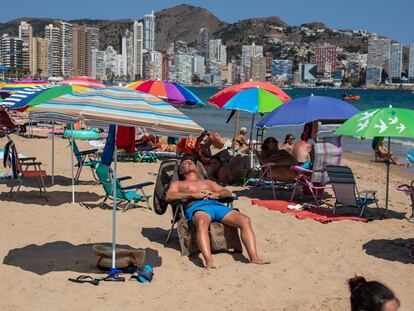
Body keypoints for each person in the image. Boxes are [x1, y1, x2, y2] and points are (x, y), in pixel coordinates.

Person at [166, 154, 270, 269]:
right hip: (198, 207)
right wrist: (192, 194)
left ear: (196, 168)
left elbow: (227, 192)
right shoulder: (178, 184)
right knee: (201, 222)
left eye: (191, 162)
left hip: (216, 205)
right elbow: (169, 196)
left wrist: (215, 194)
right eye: (185, 162)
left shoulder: (208, 182)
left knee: (245, 220)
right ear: (180, 170)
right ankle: (209, 261)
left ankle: (254, 257)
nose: (189, 162)